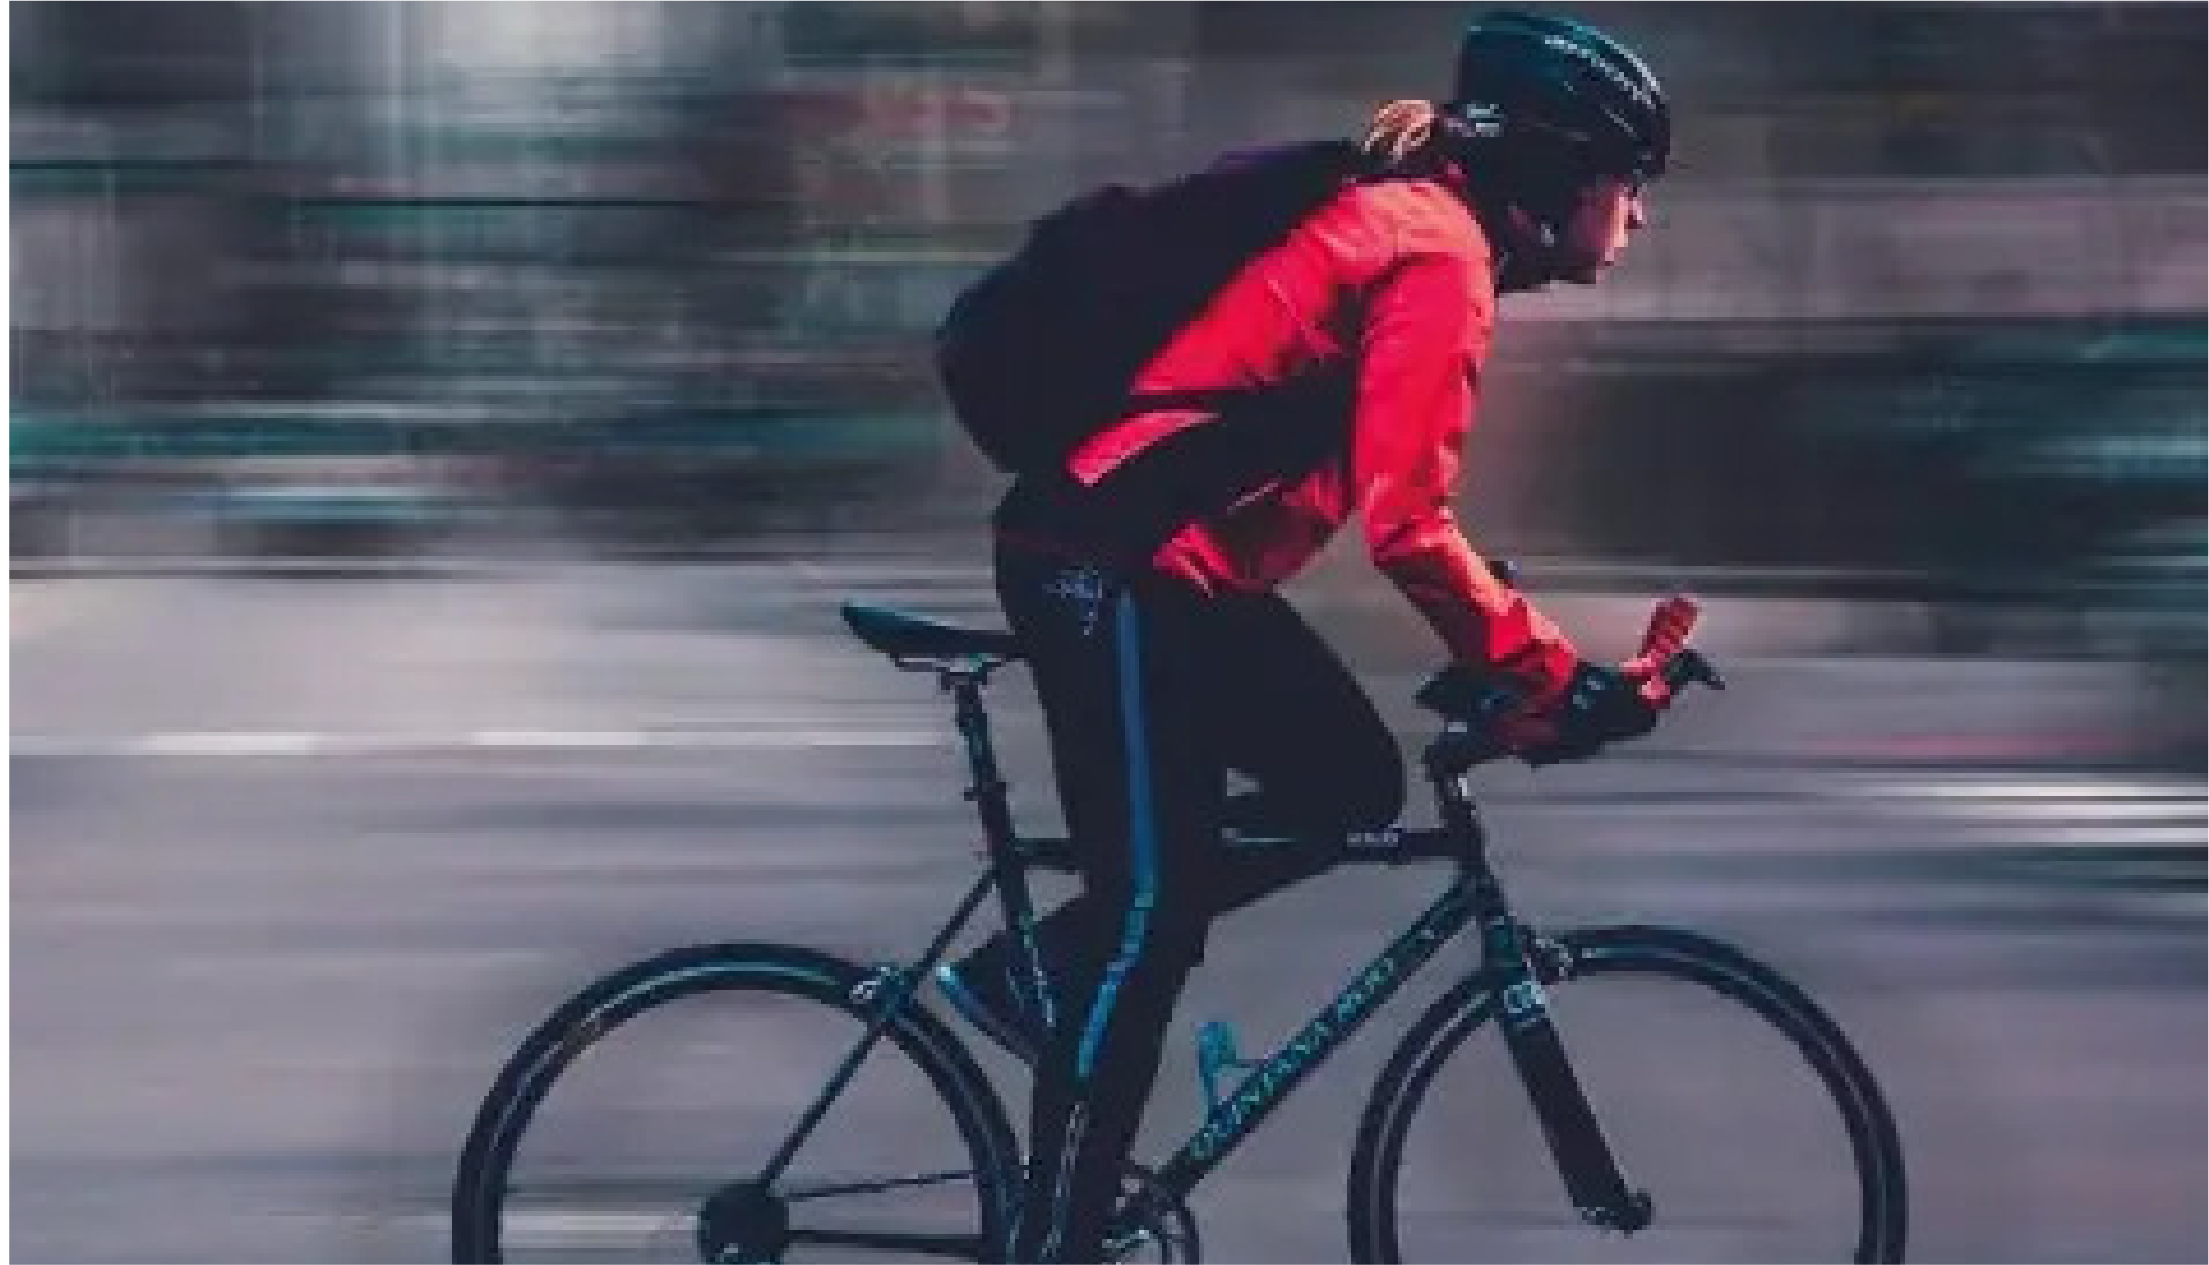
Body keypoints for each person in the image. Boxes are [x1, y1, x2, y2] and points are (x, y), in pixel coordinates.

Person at [938, 11, 1676, 1264]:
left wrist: (1511, 653)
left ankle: (1049, 974)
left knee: (1344, 782)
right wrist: (1546, 667)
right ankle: (1054, 1207)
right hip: (1103, 563)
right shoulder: (1434, 252)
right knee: (1149, 916)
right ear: (1560, 176)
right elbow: (1405, 524)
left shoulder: (1427, 233)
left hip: (1161, 568)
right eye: (1629, 185)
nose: (1638, 217)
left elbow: (1386, 506)